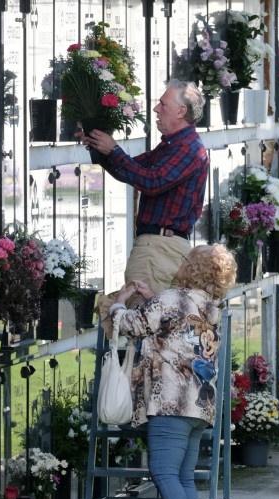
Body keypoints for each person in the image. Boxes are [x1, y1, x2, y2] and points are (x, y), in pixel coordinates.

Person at [108, 244, 235, 499]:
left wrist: (119, 304)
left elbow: (132, 325)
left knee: (164, 471)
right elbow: (170, 323)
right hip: (198, 405)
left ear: (192, 269)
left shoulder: (171, 300)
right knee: (184, 477)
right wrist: (155, 297)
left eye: (185, 260)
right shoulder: (208, 307)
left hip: (170, 403)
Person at [85, 79, 209, 332]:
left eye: (162, 104)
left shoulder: (187, 148)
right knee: (156, 321)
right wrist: (98, 146)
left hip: (158, 250)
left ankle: (143, 372)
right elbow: (131, 170)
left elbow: (152, 181)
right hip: (162, 247)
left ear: (181, 112)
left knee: (143, 324)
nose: (156, 109)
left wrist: (114, 150)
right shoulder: (173, 145)